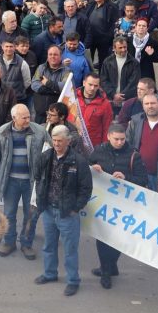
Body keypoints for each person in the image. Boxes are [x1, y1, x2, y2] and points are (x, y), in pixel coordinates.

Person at [34, 125, 93, 296]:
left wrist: (76, 208)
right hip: (48, 210)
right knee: (49, 246)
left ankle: (73, 280)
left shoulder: (79, 161)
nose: (57, 144)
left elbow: (86, 188)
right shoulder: (45, 157)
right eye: (54, 140)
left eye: (60, 141)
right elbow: (38, 179)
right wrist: (41, 202)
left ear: (69, 141)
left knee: (70, 249)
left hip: (68, 213)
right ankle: (50, 273)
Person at [88, 123, 149, 288]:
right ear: (108, 136)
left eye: (122, 139)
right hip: (102, 202)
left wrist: (126, 178)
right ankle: (106, 271)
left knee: (117, 239)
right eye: (116, 139)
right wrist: (92, 168)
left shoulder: (133, 155)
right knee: (102, 237)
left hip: (124, 205)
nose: (120, 142)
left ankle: (110, 266)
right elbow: (85, 168)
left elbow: (143, 179)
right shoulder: (99, 150)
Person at [0, 103, 47, 260]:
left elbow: (48, 155)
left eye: (29, 116)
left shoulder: (40, 132)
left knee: (30, 215)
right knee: (9, 214)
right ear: (14, 118)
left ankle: (26, 244)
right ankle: (9, 242)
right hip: (10, 182)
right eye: (24, 117)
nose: (28, 119)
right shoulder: (0, 133)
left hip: (31, 183)